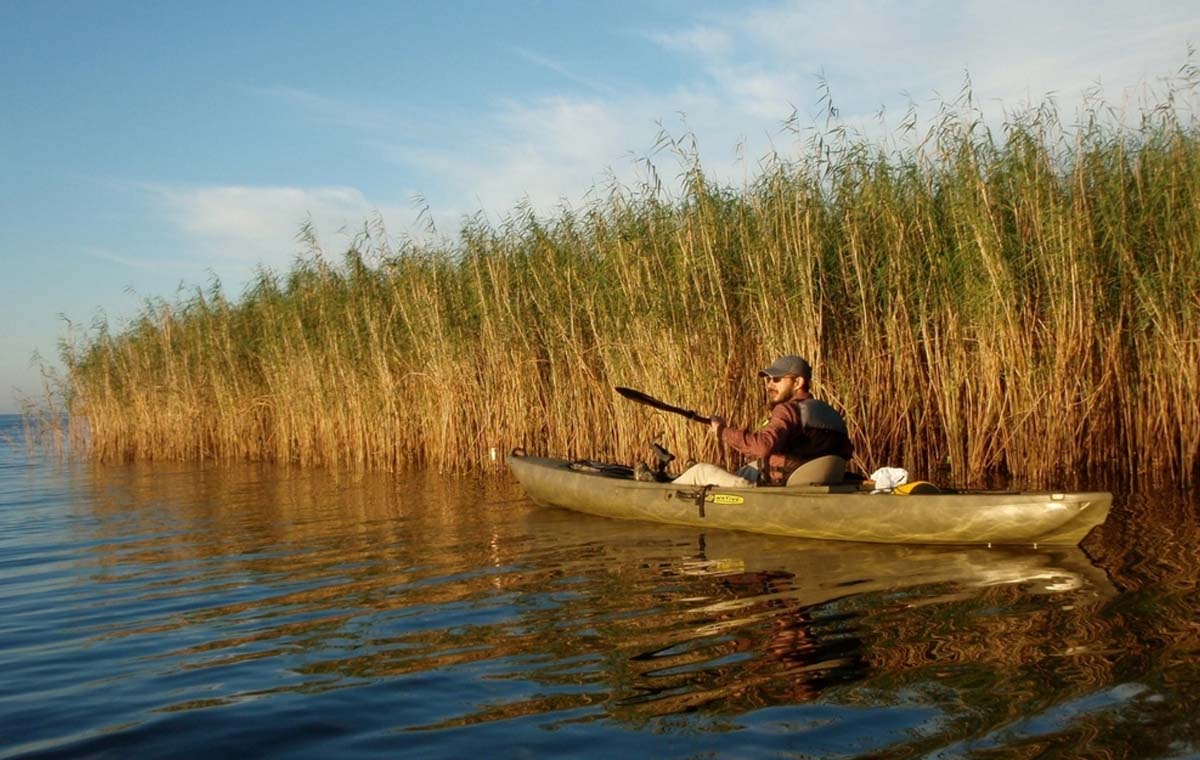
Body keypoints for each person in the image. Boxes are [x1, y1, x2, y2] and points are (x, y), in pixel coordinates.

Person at [673, 355, 853, 487]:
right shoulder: (830, 413)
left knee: (700, 471)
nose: (769, 385)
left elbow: (762, 447)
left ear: (798, 382)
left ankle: (661, 493)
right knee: (749, 468)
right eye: (768, 380)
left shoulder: (788, 409)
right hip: (816, 482)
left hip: (783, 489)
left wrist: (721, 430)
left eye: (776, 379)